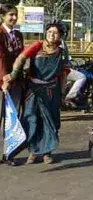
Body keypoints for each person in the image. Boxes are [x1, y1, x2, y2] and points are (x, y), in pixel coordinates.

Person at [3, 22, 70, 165]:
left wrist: (63, 94)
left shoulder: (62, 51)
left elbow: (64, 74)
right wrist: (14, 74)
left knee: (50, 122)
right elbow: (21, 58)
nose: (52, 35)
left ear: (60, 36)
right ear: (46, 33)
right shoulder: (37, 46)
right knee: (31, 120)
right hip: (33, 90)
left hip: (52, 91)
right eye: (50, 32)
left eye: (56, 33)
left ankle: (47, 153)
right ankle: (33, 153)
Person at [0, 4, 24, 166]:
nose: (14, 18)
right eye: (10, 15)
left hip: (16, 82)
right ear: (2, 16)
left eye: (15, 15)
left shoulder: (18, 35)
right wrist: (4, 81)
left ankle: (8, 154)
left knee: (12, 119)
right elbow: (0, 58)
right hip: (2, 82)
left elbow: (22, 57)